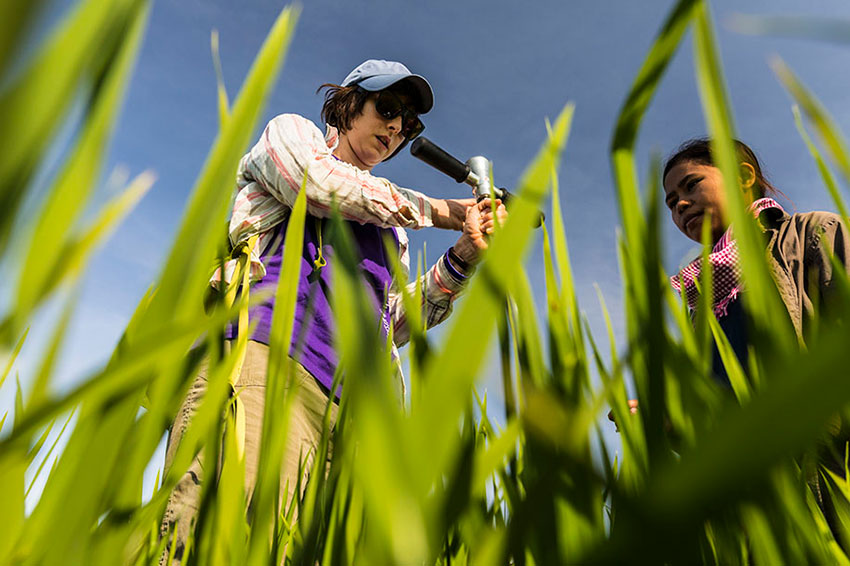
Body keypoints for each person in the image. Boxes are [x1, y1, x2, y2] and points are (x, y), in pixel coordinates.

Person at [159, 59, 506, 562]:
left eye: (407, 123)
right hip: (260, 363)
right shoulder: (293, 136)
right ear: (346, 104)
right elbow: (318, 186)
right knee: (214, 538)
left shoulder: (394, 232)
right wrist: (444, 211)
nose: (394, 127)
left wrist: (463, 258)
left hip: (349, 411)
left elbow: (395, 322)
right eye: (387, 108)